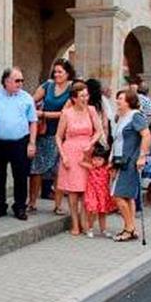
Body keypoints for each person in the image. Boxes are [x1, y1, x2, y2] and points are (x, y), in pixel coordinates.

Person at [0, 67, 38, 220]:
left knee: (21, 176)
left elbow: (33, 121)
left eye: (22, 80)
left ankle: (20, 207)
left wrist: (32, 143)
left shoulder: (26, 98)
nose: (20, 83)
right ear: (6, 81)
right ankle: (0, 206)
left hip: (20, 142)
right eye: (17, 80)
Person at [55, 82, 103, 236]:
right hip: (70, 151)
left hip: (86, 152)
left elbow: (99, 131)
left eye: (86, 95)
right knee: (73, 190)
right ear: (74, 98)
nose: (85, 98)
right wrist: (63, 156)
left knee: (86, 189)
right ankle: (75, 223)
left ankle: (85, 223)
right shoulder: (66, 113)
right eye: (82, 95)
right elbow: (58, 136)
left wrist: (91, 143)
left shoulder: (91, 110)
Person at [29, 58, 73, 215]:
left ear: (68, 73)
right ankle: (32, 202)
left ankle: (58, 205)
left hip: (62, 135)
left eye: (60, 71)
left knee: (58, 171)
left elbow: (65, 113)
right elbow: (31, 100)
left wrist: (43, 113)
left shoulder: (71, 88)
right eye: (55, 71)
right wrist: (33, 111)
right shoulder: (47, 85)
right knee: (36, 169)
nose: (57, 74)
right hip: (44, 132)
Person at [110, 90, 151, 241]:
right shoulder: (121, 117)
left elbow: (146, 135)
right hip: (120, 160)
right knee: (127, 197)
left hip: (130, 161)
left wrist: (142, 156)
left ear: (129, 101)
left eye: (120, 99)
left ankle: (129, 228)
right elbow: (117, 141)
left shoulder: (135, 115)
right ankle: (131, 227)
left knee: (118, 195)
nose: (117, 101)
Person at [81, 144, 115, 238]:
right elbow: (80, 162)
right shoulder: (91, 167)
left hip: (103, 193)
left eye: (99, 159)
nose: (96, 161)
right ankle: (90, 228)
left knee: (103, 212)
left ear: (104, 160)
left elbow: (113, 165)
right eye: (95, 159)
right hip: (92, 193)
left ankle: (103, 230)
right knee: (92, 210)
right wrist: (86, 152)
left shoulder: (107, 169)